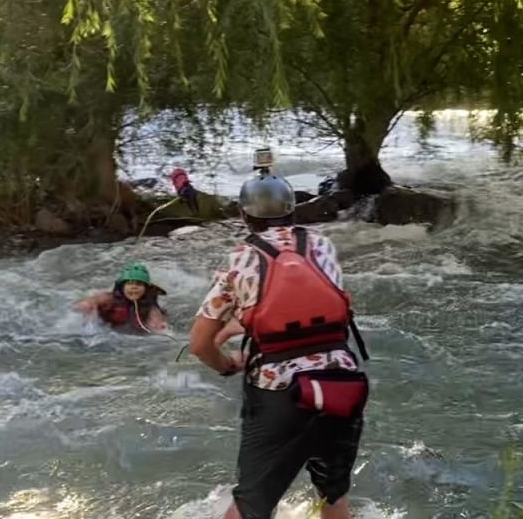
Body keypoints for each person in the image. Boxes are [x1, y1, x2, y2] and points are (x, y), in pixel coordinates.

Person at [189, 167, 369, 519]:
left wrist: (226, 364)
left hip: (280, 395)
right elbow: (304, 307)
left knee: (249, 506)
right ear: (293, 210)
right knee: (332, 495)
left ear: (244, 216)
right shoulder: (321, 246)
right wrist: (237, 327)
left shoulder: (240, 260)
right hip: (341, 386)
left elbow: (199, 343)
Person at [74, 263, 169, 333]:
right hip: (104, 330)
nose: (134, 287)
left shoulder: (151, 308)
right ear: (122, 287)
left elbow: (160, 328)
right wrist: (86, 305)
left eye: (139, 284)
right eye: (129, 284)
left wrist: (161, 328)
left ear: (146, 289)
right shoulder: (109, 299)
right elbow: (90, 301)